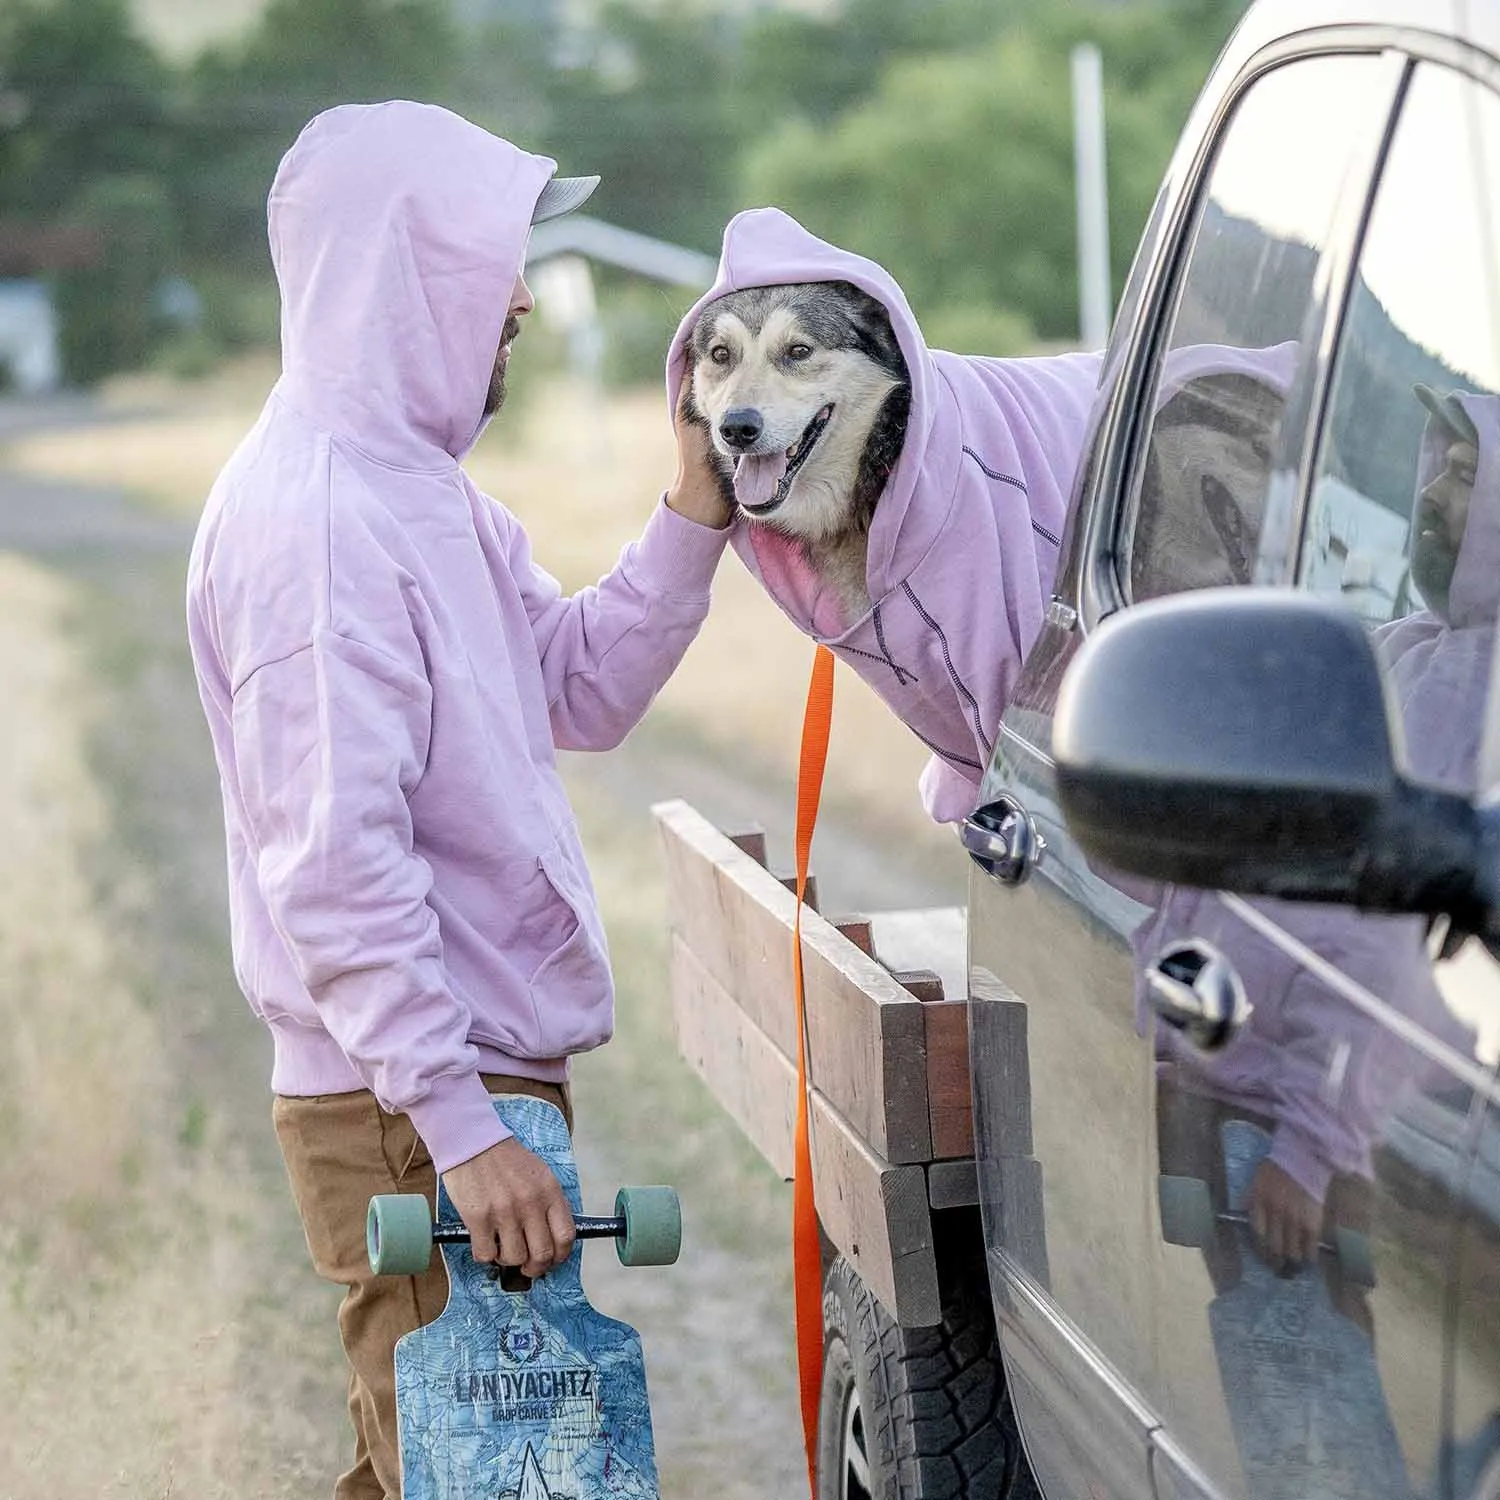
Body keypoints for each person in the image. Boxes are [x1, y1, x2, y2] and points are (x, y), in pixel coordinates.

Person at [184, 100, 732, 1499]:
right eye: (496, 261)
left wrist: (695, 509)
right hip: (407, 1104)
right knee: (484, 1481)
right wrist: (459, 1129)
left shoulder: (418, 493)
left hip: (447, 1091)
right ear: (403, 271)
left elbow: (578, 687)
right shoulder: (318, 530)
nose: (523, 302)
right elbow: (334, 871)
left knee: (444, 1475)